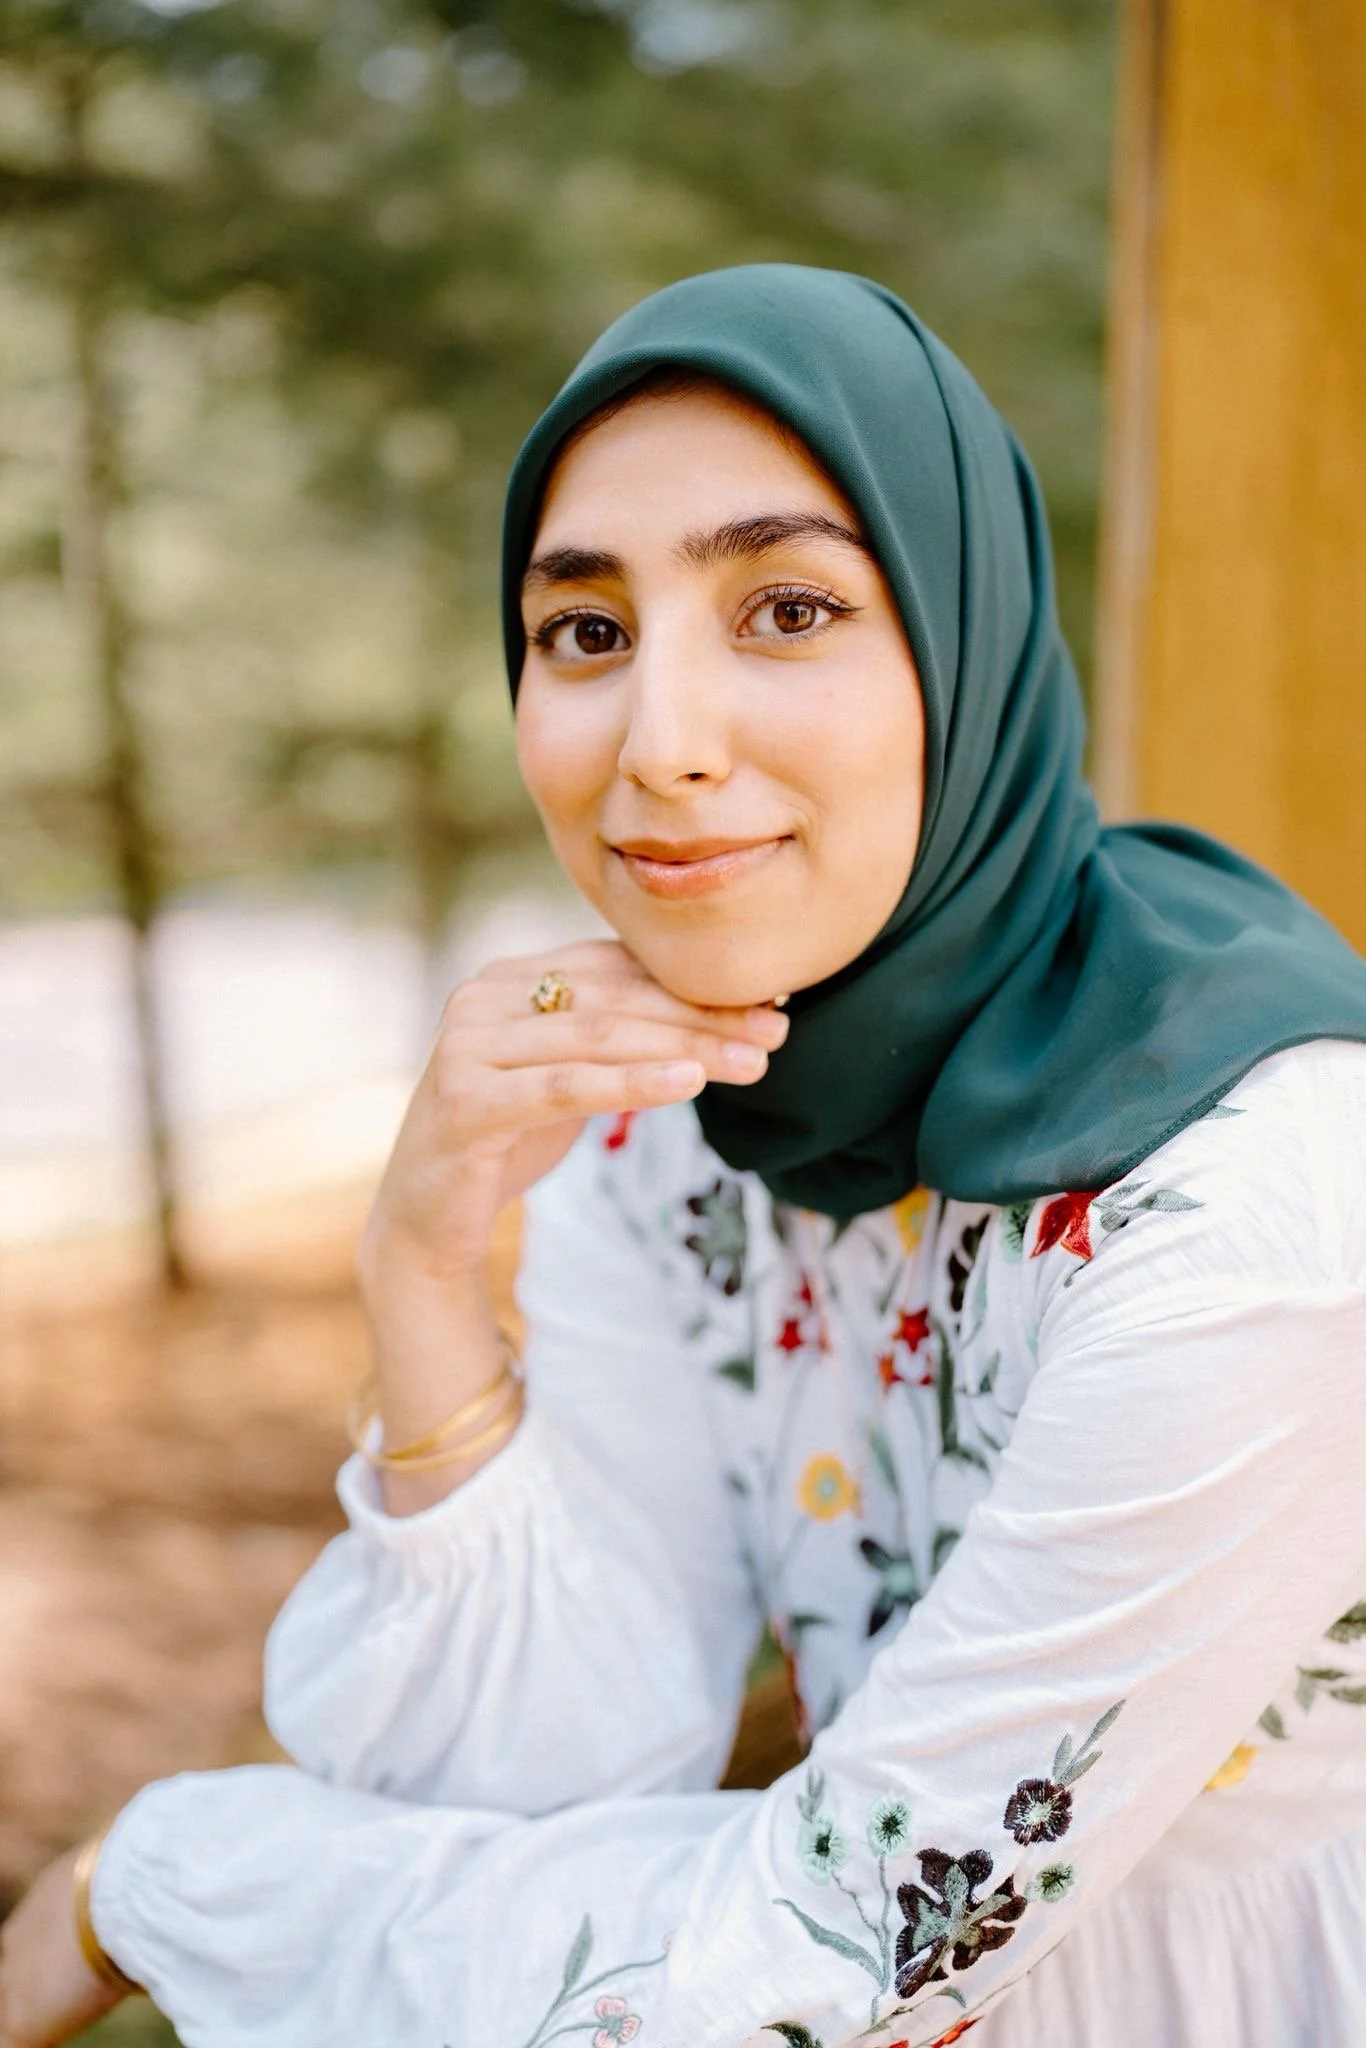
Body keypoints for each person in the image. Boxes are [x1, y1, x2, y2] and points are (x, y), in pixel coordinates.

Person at [2, 264, 1365, 2048]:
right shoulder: (686, 1117)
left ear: (962, 638)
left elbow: (842, 1945)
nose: (661, 747)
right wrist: (421, 1262)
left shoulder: (1250, 1207)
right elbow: (550, 1763)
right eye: (584, 633)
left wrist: (161, 1882)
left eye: (786, 608)